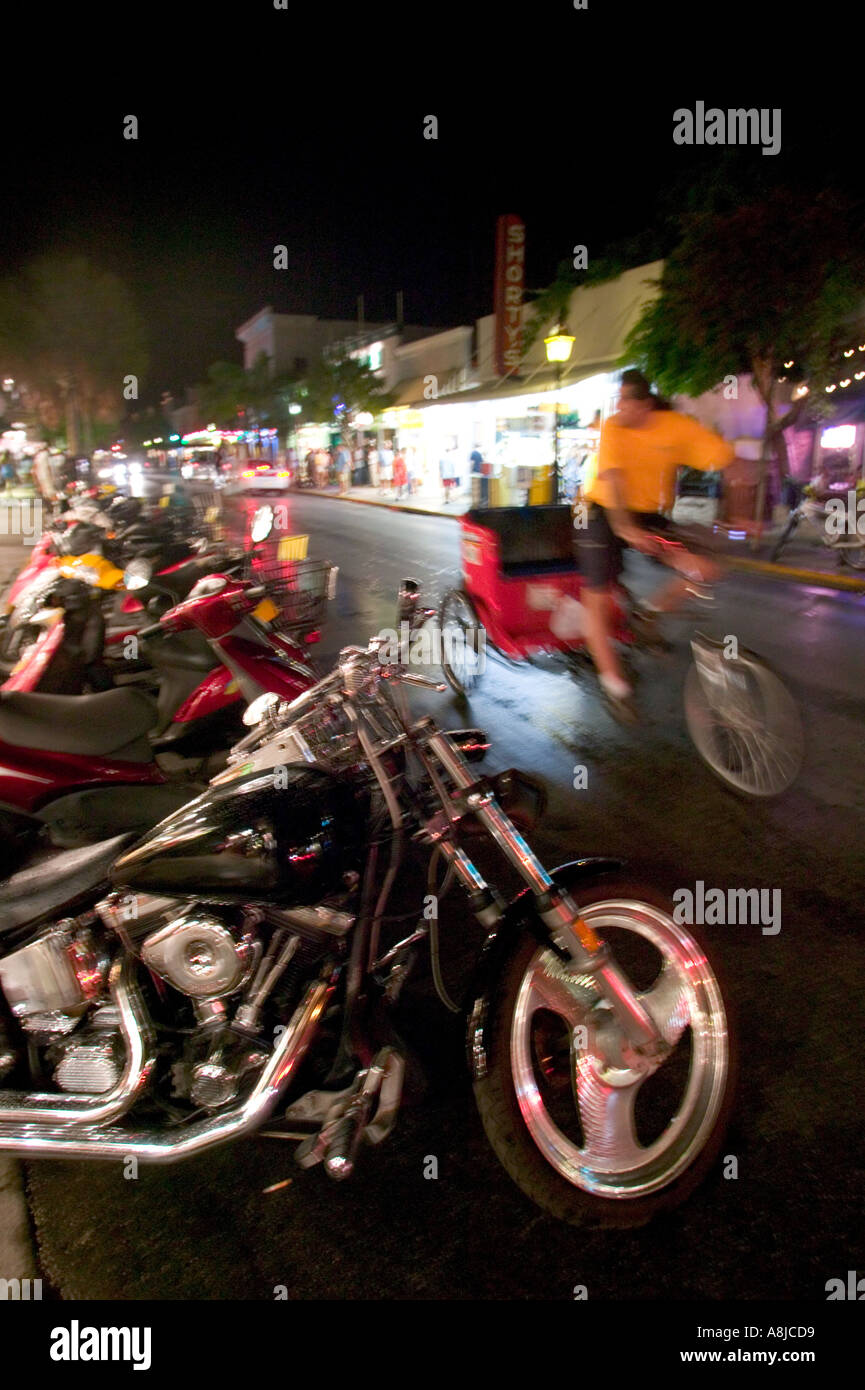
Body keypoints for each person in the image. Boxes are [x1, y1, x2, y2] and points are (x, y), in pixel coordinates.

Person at [576, 369, 735, 722]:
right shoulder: (613, 427)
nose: (620, 407)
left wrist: (735, 513)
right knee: (597, 599)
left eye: (627, 400)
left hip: (649, 515)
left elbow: (724, 457)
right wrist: (625, 529)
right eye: (618, 400)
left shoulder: (673, 426)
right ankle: (615, 685)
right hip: (601, 512)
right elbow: (613, 479)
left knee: (705, 568)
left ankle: (650, 613)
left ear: (646, 403)